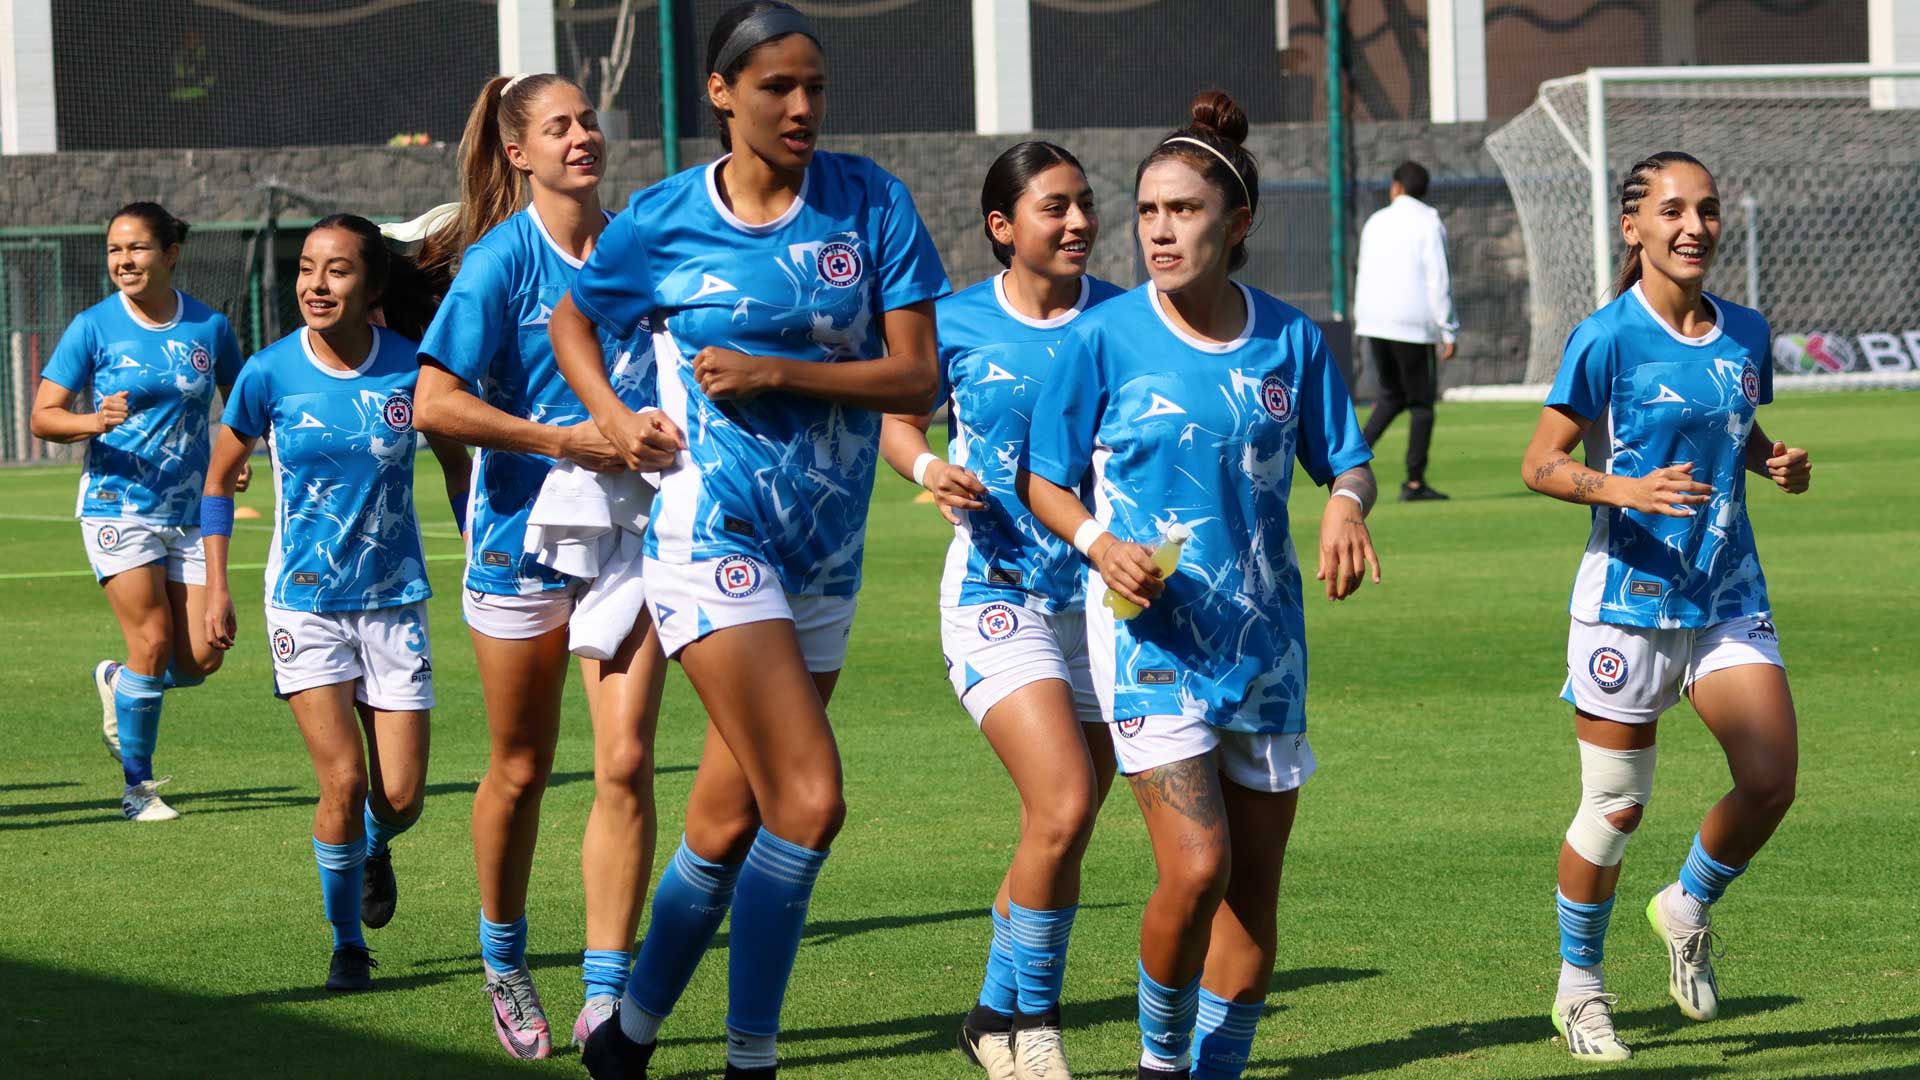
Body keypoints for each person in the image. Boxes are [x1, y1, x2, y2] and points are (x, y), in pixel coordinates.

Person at [556, 4, 949, 1076]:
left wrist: (780, 372)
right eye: (777, 86)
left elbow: (920, 376)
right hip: (710, 534)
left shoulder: (872, 203)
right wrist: (612, 417)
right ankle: (751, 1058)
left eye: (815, 85)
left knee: (727, 823)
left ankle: (627, 1036)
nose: (802, 107)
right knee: (810, 799)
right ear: (723, 94)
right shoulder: (664, 216)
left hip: (825, 551)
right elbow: (575, 318)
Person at [1021, 92, 1381, 1080]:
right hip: (1151, 648)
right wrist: (1098, 542)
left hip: (1264, 651)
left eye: (1181, 211)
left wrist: (1348, 505)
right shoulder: (1101, 339)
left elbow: (1347, 462)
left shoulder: (1291, 343)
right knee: (1196, 865)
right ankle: (1159, 1065)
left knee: (1254, 896)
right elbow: (1041, 479)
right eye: (1147, 212)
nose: (1158, 231)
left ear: (1239, 223)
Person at [1520, 151, 1810, 1063]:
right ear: (1633, 226)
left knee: (1770, 780)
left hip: (1726, 596)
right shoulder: (1605, 337)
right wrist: (1624, 490)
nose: (1695, 227)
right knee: (1613, 809)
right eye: (1674, 210)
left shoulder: (1748, 332)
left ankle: (1684, 905)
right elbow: (1539, 463)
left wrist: (1771, 460)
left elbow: (1733, 423)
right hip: (1626, 604)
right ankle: (1580, 989)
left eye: (1709, 210)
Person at [410, 73, 677, 1058]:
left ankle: (606, 999)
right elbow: (433, 404)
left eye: (589, 119)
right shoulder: (498, 263)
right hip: (516, 540)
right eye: (559, 126)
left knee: (626, 761)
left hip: (632, 541)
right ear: (518, 152)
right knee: (520, 770)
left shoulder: (641, 243)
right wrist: (563, 440)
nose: (583, 136)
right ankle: (504, 957)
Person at [878, 140, 1121, 1080]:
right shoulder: (951, 323)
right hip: (996, 592)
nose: (1078, 222)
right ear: (1001, 227)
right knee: (1060, 803)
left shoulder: (1128, 318)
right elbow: (900, 422)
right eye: (1054, 207)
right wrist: (931, 466)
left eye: (1085, 204)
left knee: (1063, 822)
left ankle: (990, 1013)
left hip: (1105, 606)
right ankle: (1037, 1024)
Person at [200, 214, 471, 991]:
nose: (316, 285)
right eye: (308, 269)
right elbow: (219, 480)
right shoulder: (267, 372)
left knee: (402, 798)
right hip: (303, 604)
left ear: (372, 286)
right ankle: (348, 943)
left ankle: (378, 846)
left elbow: (459, 468)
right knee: (343, 785)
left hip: (393, 601)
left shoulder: (416, 371)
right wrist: (215, 588)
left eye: (338, 271)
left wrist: (479, 549)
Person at [29, 202, 245, 822]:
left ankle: (121, 685)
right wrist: (93, 420)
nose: (123, 261)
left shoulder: (210, 327)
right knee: (150, 640)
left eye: (138, 249)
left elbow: (240, 410)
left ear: (171, 254)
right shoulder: (93, 326)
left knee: (203, 655)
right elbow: (44, 415)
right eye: (114, 251)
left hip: (191, 511)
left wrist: (236, 457)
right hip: (117, 504)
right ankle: (137, 790)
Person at [1353, 160, 1458, 501]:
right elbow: (1437, 278)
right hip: (1412, 326)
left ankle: (1348, 458)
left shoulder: (1375, 221)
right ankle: (1414, 483)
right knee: (1421, 405)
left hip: (1374, 322)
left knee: (1390, 396)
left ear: (1396, 188)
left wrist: (1363, 318)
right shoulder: (1429, 223)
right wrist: (1448, 329)